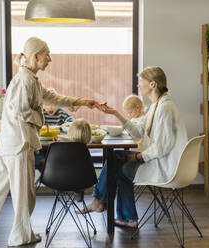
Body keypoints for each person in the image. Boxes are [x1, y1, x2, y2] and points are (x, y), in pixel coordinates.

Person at [0, 37, 100, 247]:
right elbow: (21, 110)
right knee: (25, 196)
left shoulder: (30, 78)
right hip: (19, 145)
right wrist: (40, 119)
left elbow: (50, 97)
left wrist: (80, 102)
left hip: (10, 144)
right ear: (36, 56)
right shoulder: (25, 80)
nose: (50, 59)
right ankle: (20, 236)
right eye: (47, 55)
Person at [80, 66, 188, 229]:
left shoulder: (164, 108)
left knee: (120, 170)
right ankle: (117, 212)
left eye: (141, 82)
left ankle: (114, 210)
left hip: (165, 166)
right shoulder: (156, 106)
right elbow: (137, 131)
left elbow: (162, 146)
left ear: (152, 85)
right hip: (159, 158)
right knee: (115, 158)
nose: (138, 86)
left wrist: (138, 157)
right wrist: (115, 113)